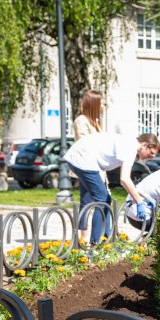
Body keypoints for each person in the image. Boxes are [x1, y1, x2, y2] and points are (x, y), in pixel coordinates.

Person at [63, 133, 160, 244]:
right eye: (151, 153)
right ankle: (96, 243)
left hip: (80, 157)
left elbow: (127, 182)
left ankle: (106, 238)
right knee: (103, 200)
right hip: (83, 159)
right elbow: (124, 179)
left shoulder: (129, 142)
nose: (152, 157)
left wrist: (144, 197)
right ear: (144, 144)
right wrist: (139, 201)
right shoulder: (131, 146)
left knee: (104, 199)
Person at [72, 89, 105, 241]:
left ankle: (87, 233)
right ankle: (85, 234)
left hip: (95, 165)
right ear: (94, 104)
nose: (103, 105)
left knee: (88, 198)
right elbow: (84, 143)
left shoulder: (96, 122)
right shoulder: (81, 121)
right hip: (85, 166)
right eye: (101, 102)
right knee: (89, 199)